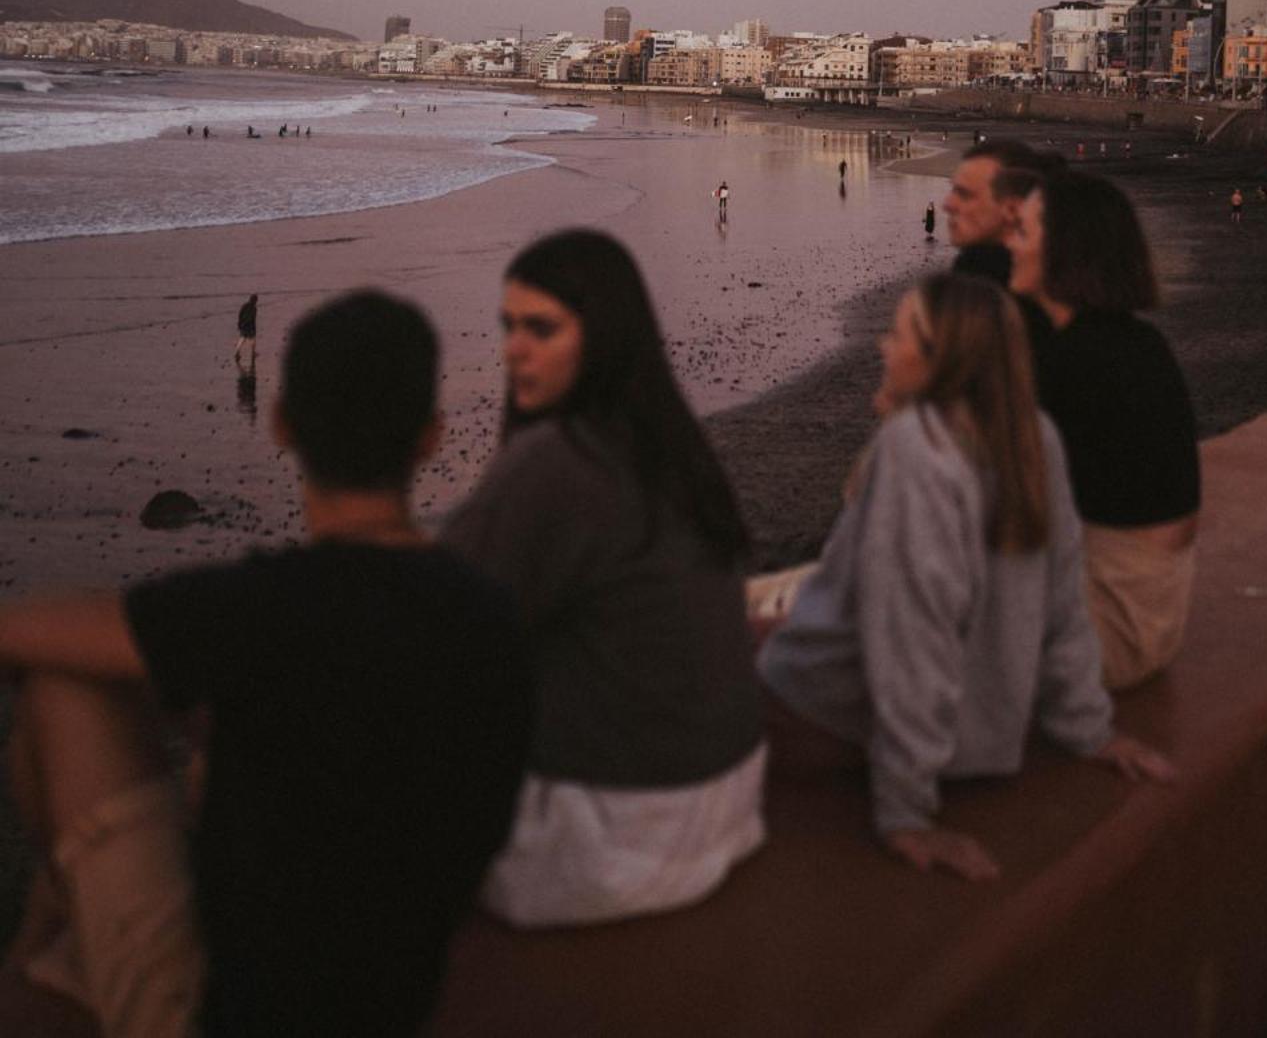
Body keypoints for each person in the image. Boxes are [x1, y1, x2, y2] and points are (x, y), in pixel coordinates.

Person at [0, 291, 531, 1037]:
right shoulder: (492, 615)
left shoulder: (254, 611)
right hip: (403, 995)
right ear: (430, 438)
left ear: (281, 425)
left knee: (65, 687)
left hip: (219, 1015)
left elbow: (37, 632)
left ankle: (52, 960)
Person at [758, 274, 1170, 879]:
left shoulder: (913, 449)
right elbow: (1063, 601)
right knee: (741, 623)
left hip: (827, 713)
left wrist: (906, 812)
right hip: (982, 730)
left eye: (898, 334)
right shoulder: (1036, 438)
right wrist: (1088, 728)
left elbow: (911, 637)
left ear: (940, 362)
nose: (881, 345)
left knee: (688, 644)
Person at [442, 229, 765, 926]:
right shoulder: (673, 449)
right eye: (507, 327)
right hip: (725, 803)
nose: (512, 349)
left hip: (614, 838)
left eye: (540, 329)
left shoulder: (557, 462)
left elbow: (443, 631)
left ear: (604, 335)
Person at [1005, 172, 1201, 690]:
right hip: (1151, 614)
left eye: (1022, 232)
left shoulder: (1080, 362)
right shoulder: (1135, 342)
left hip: (1109, 630)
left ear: (1062, 250)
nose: (1009, 244)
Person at [943, 139, 1056, 285]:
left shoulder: (1021, 289)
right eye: (953, 190)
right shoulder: (973, 267)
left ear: (1012, 209)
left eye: (965, 194)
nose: (947, 204)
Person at [233, 292, 258, 378]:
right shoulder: (254, 309)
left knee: (242, 339)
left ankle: (237, 352)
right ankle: (253, 353)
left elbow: (240, 315)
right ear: (255, 301)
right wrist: (254, 329)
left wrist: (239, 324)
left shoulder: (244, 306)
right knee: (253, 341)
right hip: (250, 326)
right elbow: (253, 320)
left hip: (243, 325)